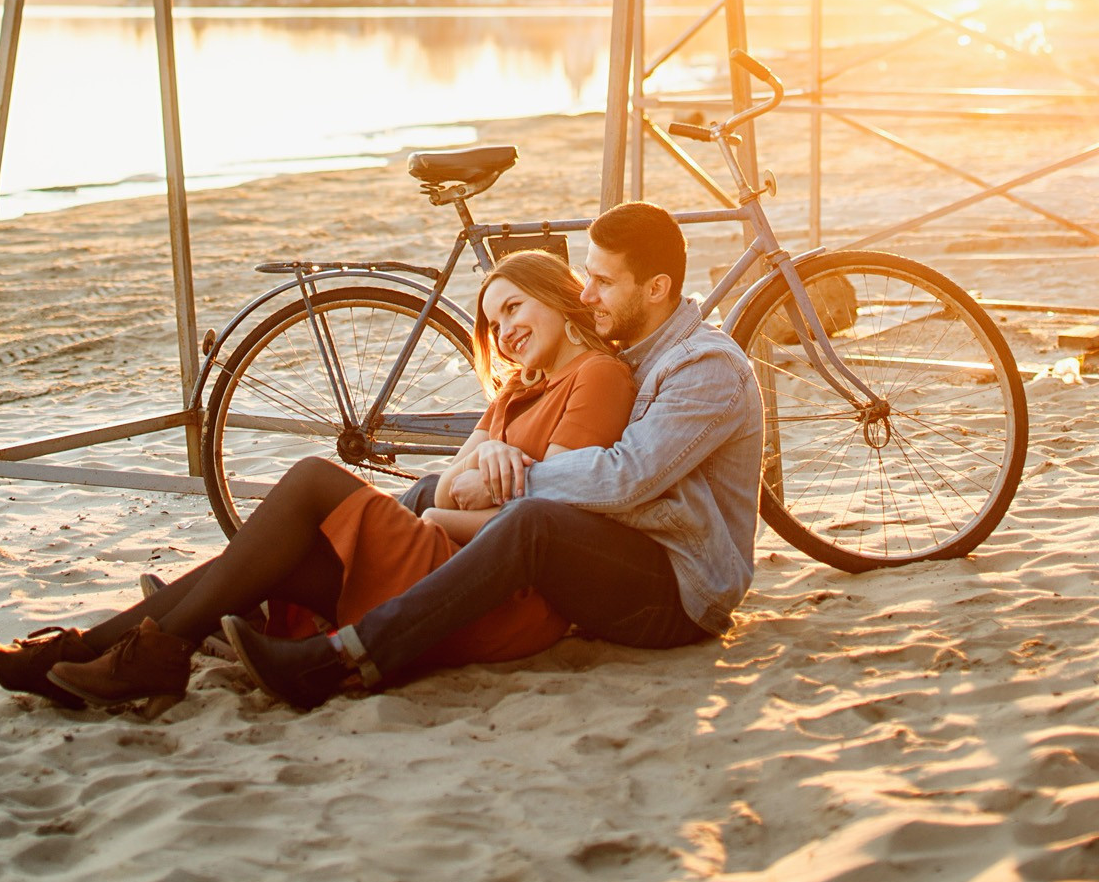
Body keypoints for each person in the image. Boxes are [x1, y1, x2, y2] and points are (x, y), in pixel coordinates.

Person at [0, 249, 634, 713]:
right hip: (451, 568)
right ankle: (85, 653)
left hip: (503, 597)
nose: (506, 332)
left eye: (515, 308)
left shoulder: (597, 376)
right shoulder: (520, 387)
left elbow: (543, 520)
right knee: (277, 556)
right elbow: (453, 476)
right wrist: (466, 476)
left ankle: (148, 654)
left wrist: (442, 512)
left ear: (554, 295)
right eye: (493, 322)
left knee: (316, 480)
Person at [227, 200, 764, 711]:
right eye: (587, 276)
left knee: (533, 521)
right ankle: (250, 601)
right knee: (423, 491)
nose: (587, 294)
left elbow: (627, 478)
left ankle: (344, 658)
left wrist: (510, 480)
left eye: (602, 282)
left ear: (656, 288)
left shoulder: (705, 367)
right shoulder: (632, 353)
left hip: (682, 591)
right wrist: (487, 459)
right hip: (618, 556)